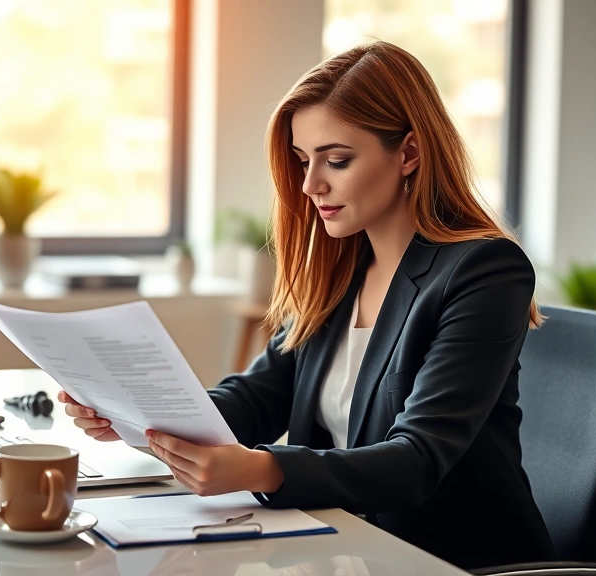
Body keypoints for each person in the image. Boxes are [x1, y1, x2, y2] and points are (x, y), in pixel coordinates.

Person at [59, 41, 557, 570]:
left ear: (409, 153)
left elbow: (417, 459)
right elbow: (257, 399)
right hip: (340, 545)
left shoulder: (484, 271)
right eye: (303, 160)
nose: (310, 185)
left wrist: (261, 469)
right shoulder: (341, 268)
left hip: (447, 559)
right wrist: (135, 410)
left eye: (337, 160)